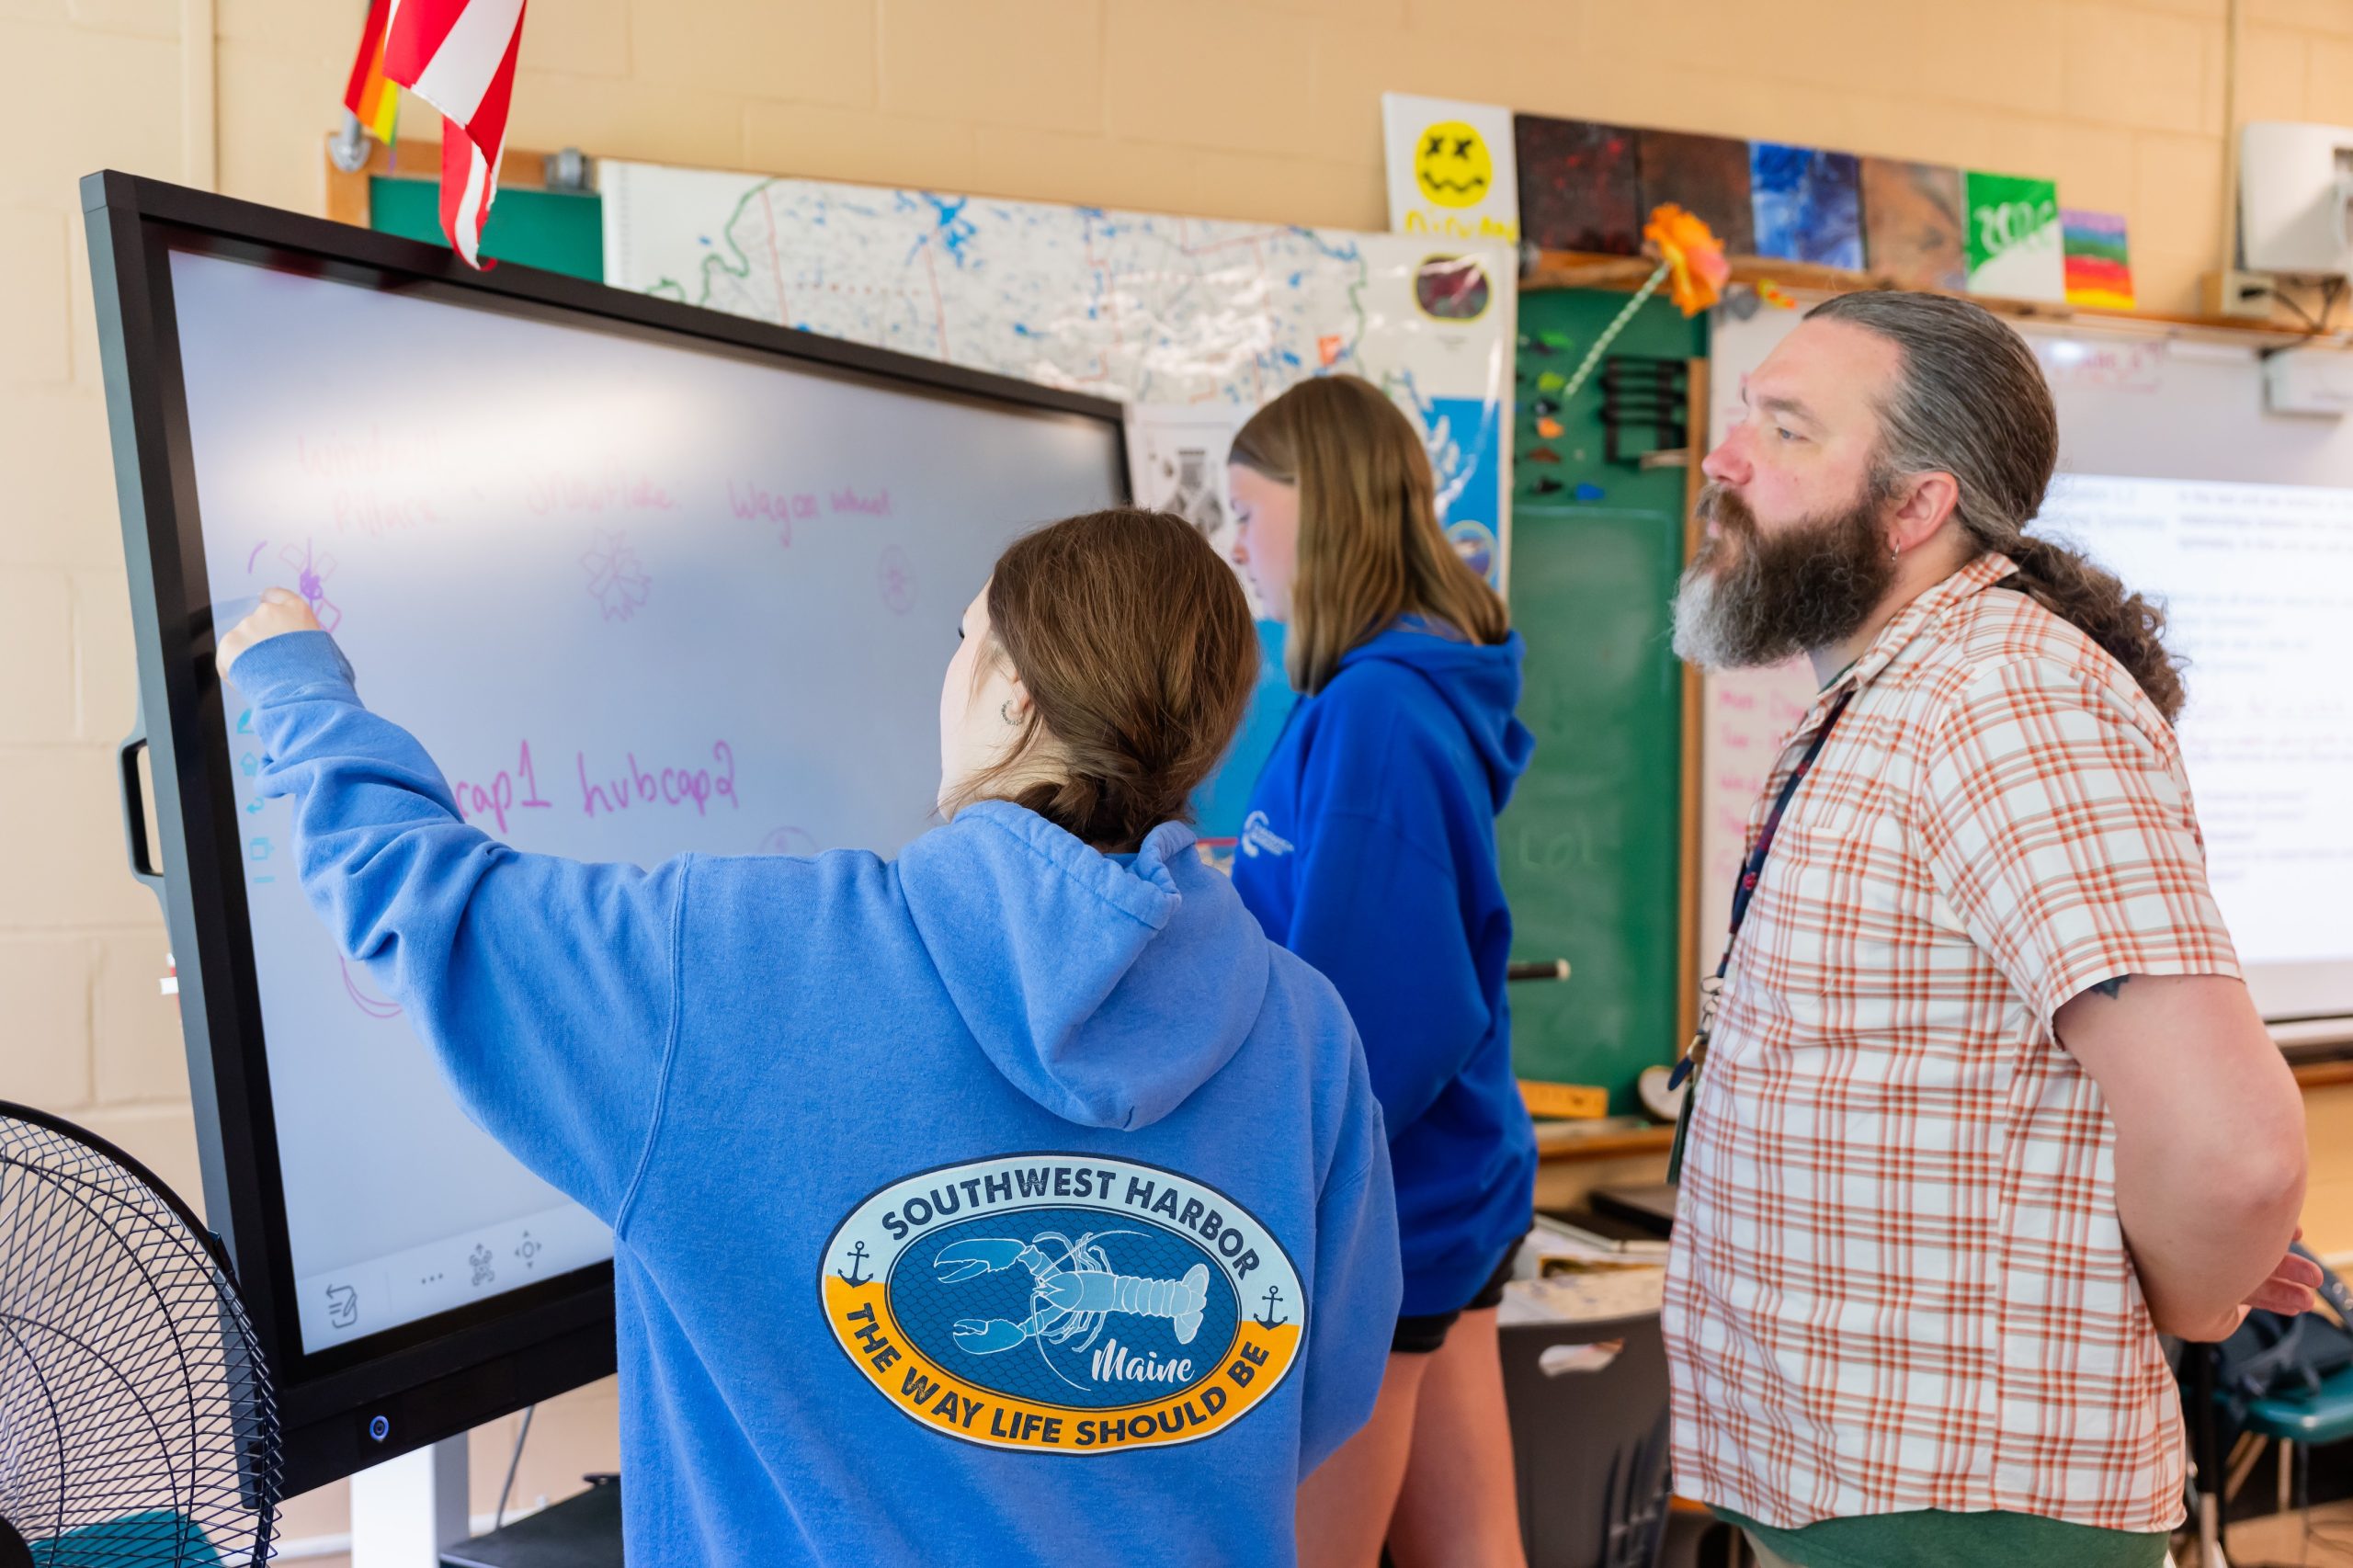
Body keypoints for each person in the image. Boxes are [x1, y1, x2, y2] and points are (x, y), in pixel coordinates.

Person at [218, 507, 1402, 1566]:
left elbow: (419, 902)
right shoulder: (1307, 1034)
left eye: (961, 640)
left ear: (1017, 696)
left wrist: (291, 681)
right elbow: (1322, 1390)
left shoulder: (727, 965)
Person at [1665, 290, 2321, 1568]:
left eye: (1787, 429)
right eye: (1745, 415)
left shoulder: (2002, 695)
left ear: (1916, 508)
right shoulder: (1905, 691)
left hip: (1963, 1507)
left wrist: (2191, 1292)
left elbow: (2235, 1153)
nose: (1724, 457)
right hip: (1879, 1487)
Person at [1225, 375, 1536, 1568]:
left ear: (1322, 508)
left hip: (1389, 1205)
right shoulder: (1398, 691)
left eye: (1250, 512)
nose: (1241, 546)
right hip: (1444, 1188)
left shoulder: (1378, 712)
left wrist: (1274, 1160)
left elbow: (1386, 1011)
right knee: (1470, 1547)